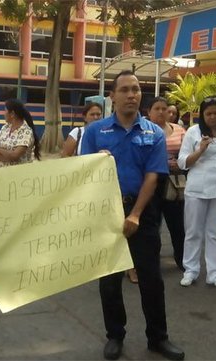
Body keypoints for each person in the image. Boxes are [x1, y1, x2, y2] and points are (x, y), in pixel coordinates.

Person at [81, 70, 184, 361]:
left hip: (144, 212)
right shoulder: (95, 131)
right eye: (124, 90)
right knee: (110, 280)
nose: (131, 95)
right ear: (111, 96)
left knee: (152, 279)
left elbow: (153, 176)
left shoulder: (152, 132)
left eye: (136, 89)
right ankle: (115, 335)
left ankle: (158, 338)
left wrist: (136, 214)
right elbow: (84, 173)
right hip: (105, 213)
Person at [177, 97, 216, 290]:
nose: (212, 117)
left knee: (214, 233)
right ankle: (190, 270)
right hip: (197, 189)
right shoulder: (193, 132)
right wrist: (200, 150)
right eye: (208, 113)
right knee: (193, 231)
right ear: (202, 115)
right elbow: (182, 162)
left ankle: (214, 274)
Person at [146, 97, 186, 271]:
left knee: (177, 224)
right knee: (152, 225)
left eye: (165, 109)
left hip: (173, 181)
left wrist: (180, 162)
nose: (162, 112)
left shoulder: (179, 130)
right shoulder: (142, 130)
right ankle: (152, 261)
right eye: (157, 108)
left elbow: (187, 152)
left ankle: (182, 260)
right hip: (150, 182)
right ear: (149, 112)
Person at [0, 98, 40, 166]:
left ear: (12, 114)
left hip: (19, 174)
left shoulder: (26, 132)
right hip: (3, 172)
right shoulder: (5, 128)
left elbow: (15, 156)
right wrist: (6, 156)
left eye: (5, 111)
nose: (3, 114)